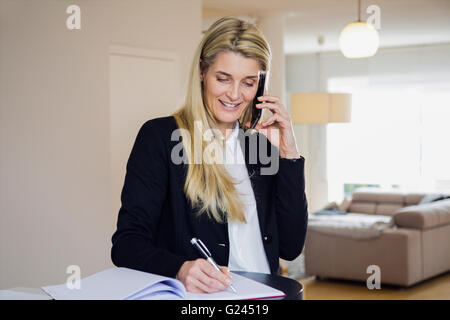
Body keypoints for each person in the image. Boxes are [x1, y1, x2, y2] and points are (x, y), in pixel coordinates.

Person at [111, 16, 308, 294]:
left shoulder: (260, 146)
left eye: (249, 83)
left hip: (265, 297)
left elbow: (290, 247)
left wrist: (289, 155)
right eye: (223, 79)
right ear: (202, 72)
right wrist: (179, 268)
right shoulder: (160, 137)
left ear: (261, 86)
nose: (235, 94)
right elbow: (126, 244)